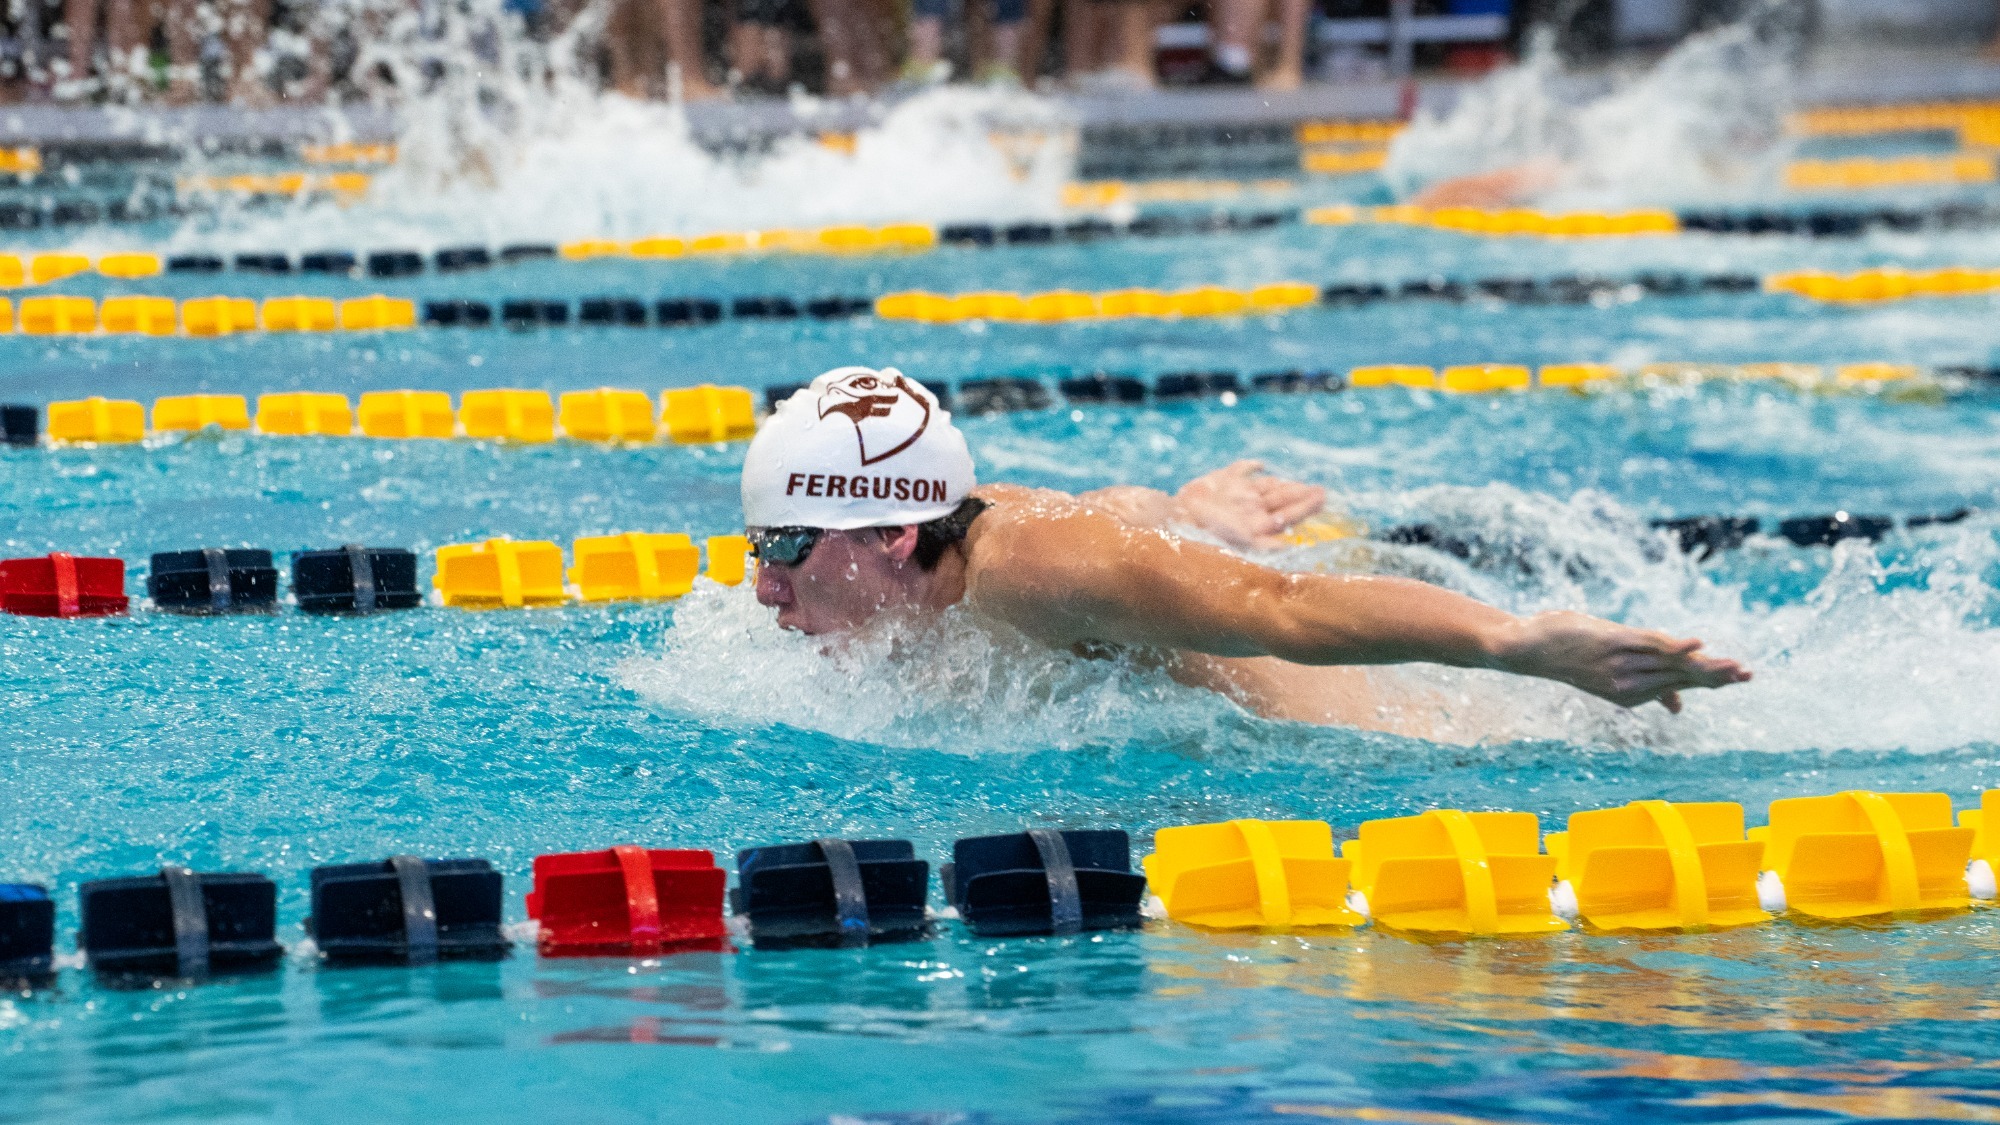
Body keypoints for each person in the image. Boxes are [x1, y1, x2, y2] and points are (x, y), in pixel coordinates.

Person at [738, 366, 1751, 732]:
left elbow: (1282, 607)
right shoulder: (956, 545)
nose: (763, 589)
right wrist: (1182, 515)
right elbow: (1106, 518)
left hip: (1433, 739)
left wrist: (1516, 643)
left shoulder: (1034, 566)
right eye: (755, 547)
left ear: (894, 533)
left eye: (784, 546)